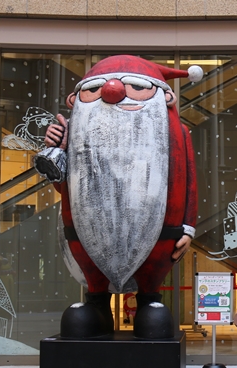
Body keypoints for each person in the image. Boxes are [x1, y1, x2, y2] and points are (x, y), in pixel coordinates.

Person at [36, 55, 202, 339]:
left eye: (136, 86)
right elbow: (66, 187)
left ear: (166, 97)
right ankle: (97, 304)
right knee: (88, 304)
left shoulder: (177, 133)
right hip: (86, 229)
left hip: (162, 231)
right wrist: (57, 150)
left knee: (152, 311)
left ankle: (149, 300)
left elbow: (187, 179)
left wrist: (187, 227)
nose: (112, 91)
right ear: (74, 100)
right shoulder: (73, 133)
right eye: (95, 89)